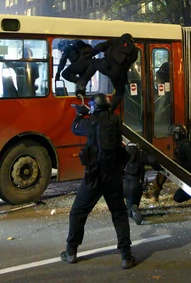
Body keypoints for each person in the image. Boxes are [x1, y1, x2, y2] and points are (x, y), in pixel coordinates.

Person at [62, 93, 136, 269]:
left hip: (94, 176)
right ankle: (126, 256)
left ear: (94, 107)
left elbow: (75, 128)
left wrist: (80, 114)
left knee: (78, 212)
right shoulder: (116, 121)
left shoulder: (90, 122)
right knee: (119, 214)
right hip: (113, 175)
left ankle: (71, 252)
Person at [147, 124, 191, 203]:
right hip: (186, 174)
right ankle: (155, 192)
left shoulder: (186, 146)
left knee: (178, 198)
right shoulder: (180, 146)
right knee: (165, 167)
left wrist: (180, 167)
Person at [76, 34, 139, 108]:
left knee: (94, 63)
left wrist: (90, 55)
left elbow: (99, 47)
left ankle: (81, 87)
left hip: (106, 66)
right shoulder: (135, 51)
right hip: (119, 74)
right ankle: (110, 110)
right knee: (120, 92)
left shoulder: (115, 40)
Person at [122, 142, 159, 225]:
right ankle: (134, 208)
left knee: (128, 201)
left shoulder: (123, 153)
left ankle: (130, 210)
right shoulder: (141, 154)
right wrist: (157, 168)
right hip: (136, 183)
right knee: (134, 201)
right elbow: (153, 160)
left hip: (124, 183)